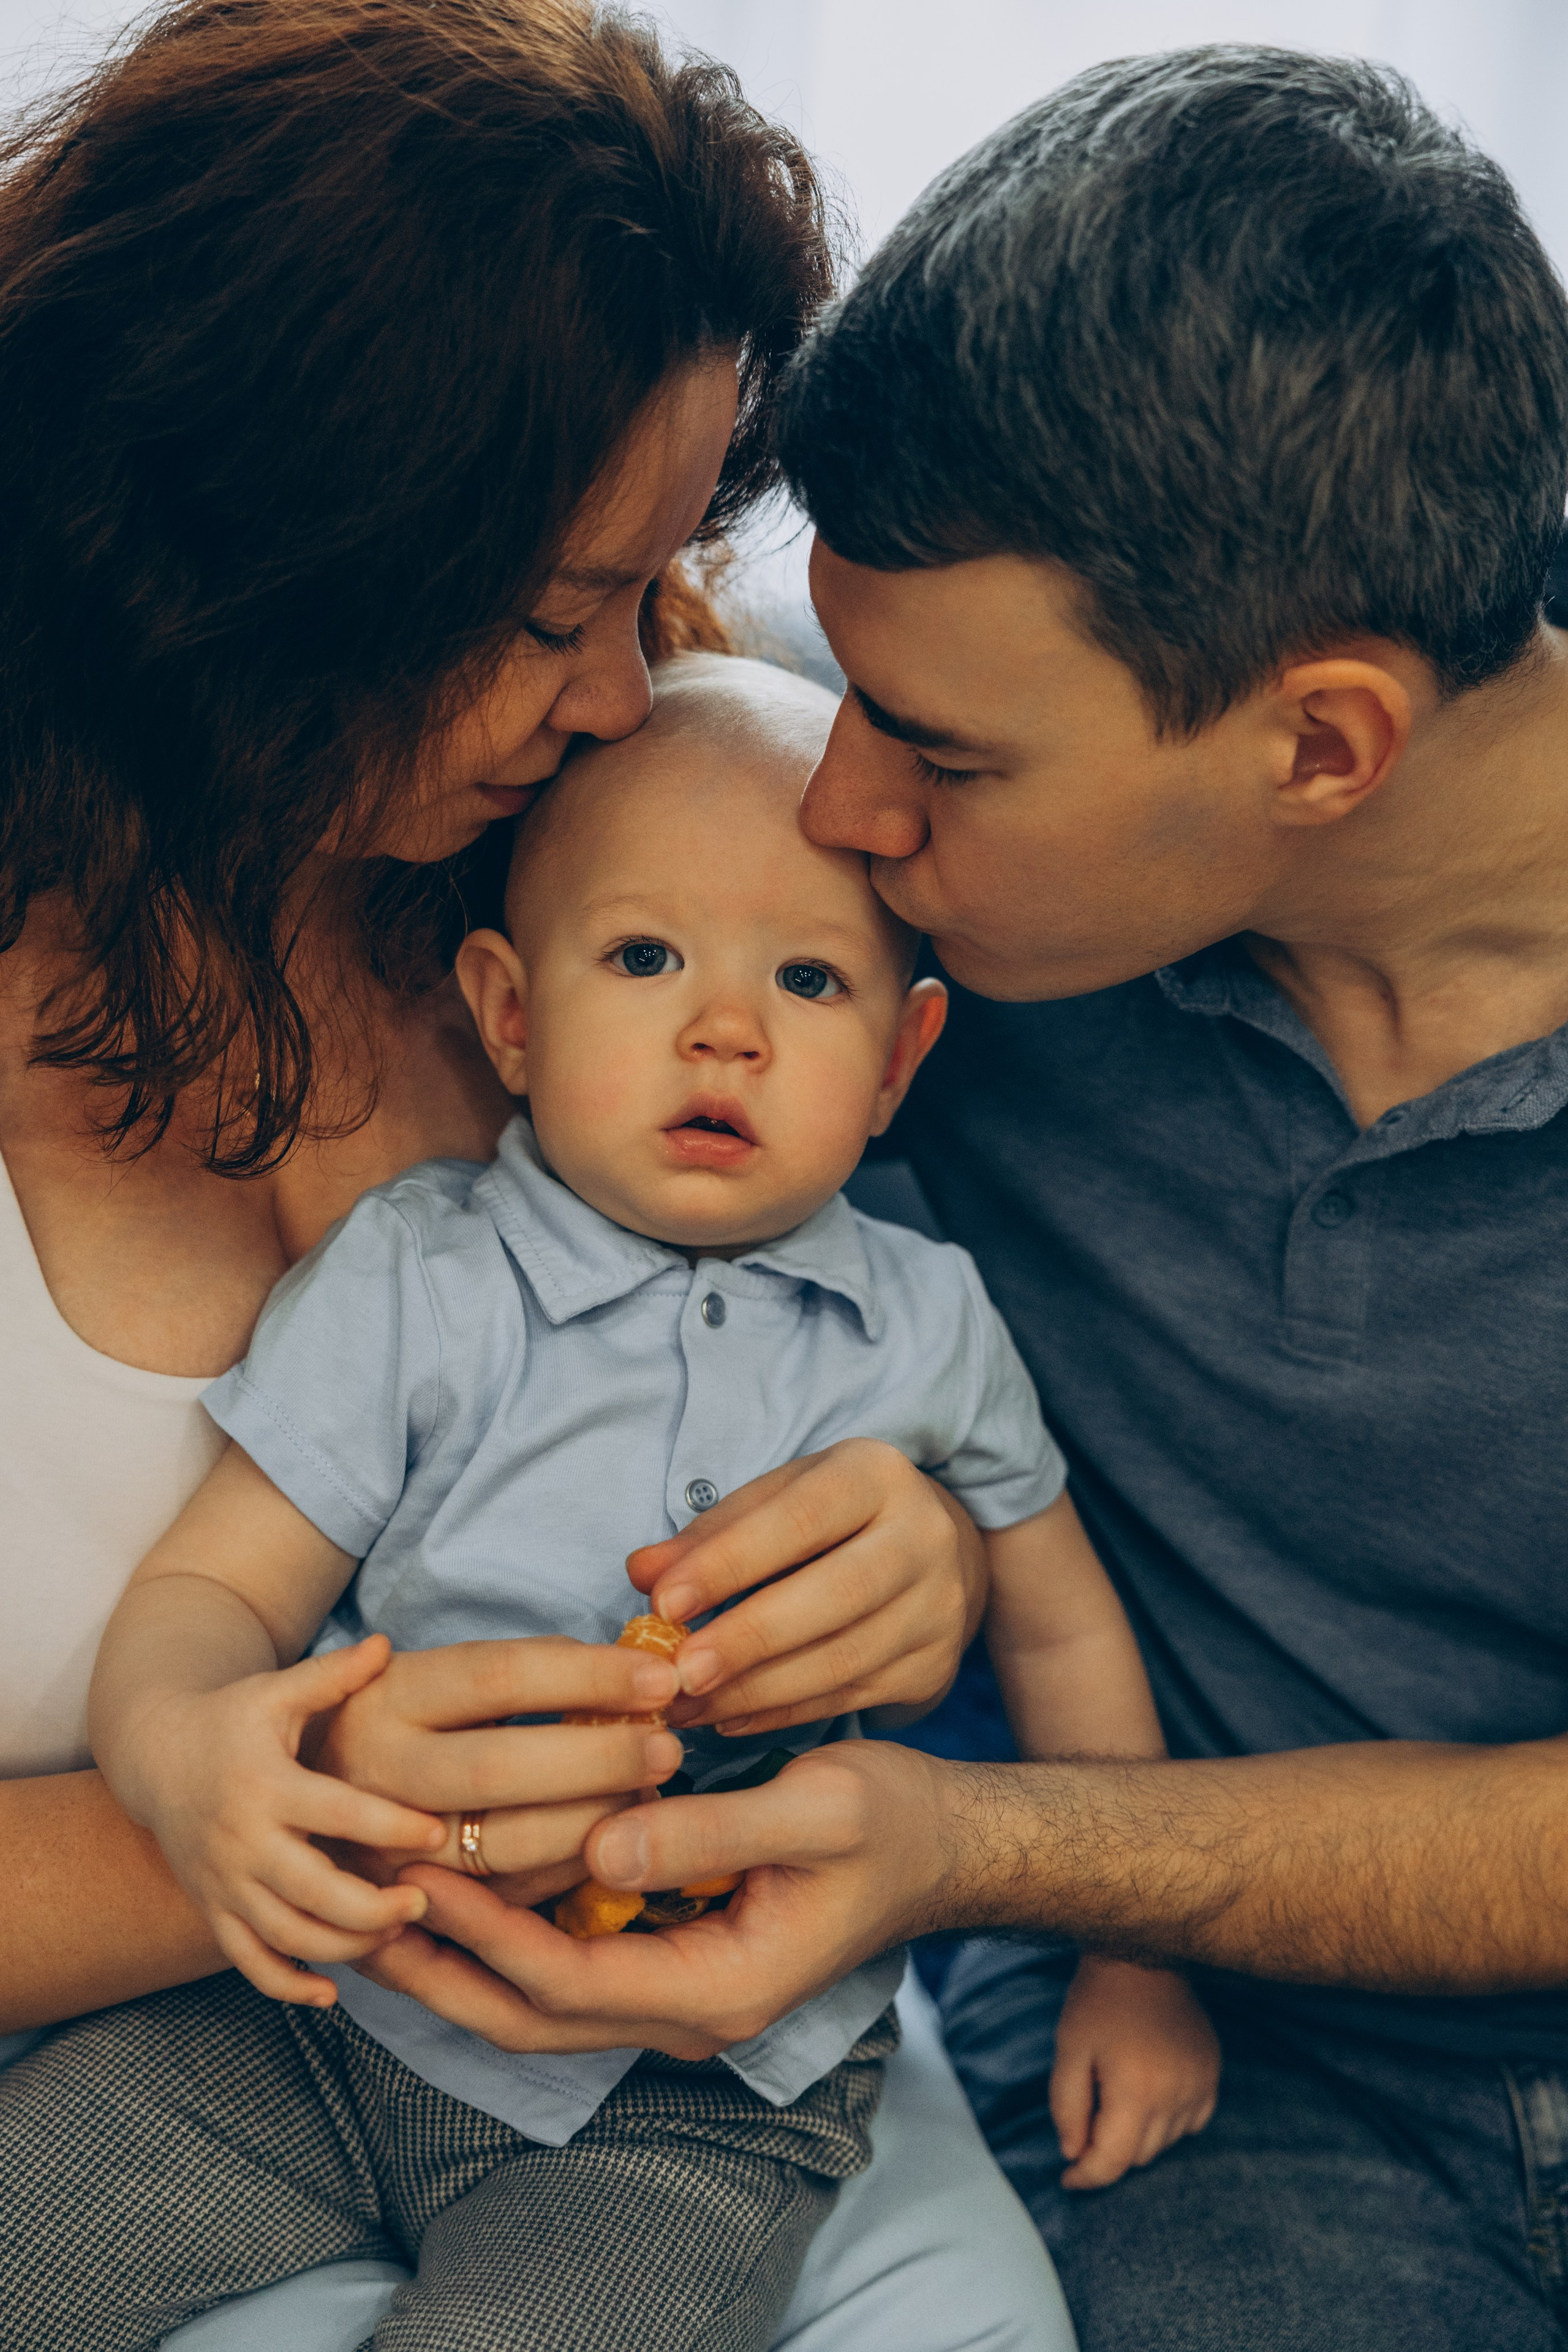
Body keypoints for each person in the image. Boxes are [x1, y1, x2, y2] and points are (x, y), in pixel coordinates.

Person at [337, 47, 1568, 2352]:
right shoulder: (890, 902)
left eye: (949, 762)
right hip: (1219, 2093)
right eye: (849, 694)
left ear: (1322, 747)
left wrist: (979, 1842)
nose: (846, 814)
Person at [0, 6, 1066, 2347]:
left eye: (655, 575)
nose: (622, 690)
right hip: (185, 2077)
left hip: (718, 2070)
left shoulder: (624, 844)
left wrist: (911, 1553)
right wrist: (293, 1815)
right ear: (254, 554)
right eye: (543, 612)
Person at [1, 654, 1213, 2346]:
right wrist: (189, 1754)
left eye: (808, 977)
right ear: (507, 1009)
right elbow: (218, 1592)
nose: (726, 1027)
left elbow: (1064, 1623)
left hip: (701, 2082)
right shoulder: (419, 1272)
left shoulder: (927, 1325)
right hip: (315, 2005)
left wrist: (1136, 1965)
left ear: (901, 1060)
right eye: (644, 958)